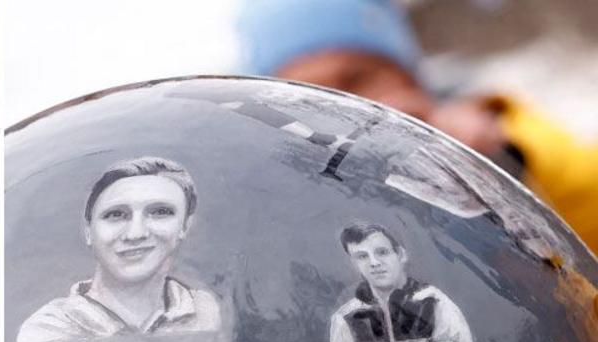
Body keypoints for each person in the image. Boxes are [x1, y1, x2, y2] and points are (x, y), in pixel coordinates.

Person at [237, 0, 598, 254]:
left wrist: (507, 166)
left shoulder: (501, 136)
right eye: (314, 96)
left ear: (408, 74)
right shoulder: (296, 218)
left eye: (359, 79)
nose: (345, 108)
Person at [16, 157, 221, 342]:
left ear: (185, 225)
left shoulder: (207, 313)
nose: (135, 234)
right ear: (88, 231)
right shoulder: (48, 330)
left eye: (160, 212)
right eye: (116, 214)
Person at [328, 223, 477, 342]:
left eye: (382, 252)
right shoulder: (346, 318)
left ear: (400, 254)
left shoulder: (438, 304)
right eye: (362, 256)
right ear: (354, 263)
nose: (374, 263)